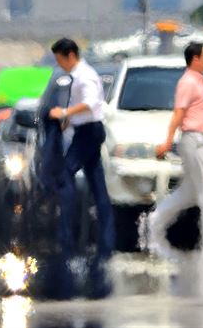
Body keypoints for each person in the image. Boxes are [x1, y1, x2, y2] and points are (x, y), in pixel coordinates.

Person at [147, 42, 203, 296]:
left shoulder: (199, 82)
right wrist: (167, 141)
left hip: (199, 139)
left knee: (190, 193)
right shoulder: (188, 82)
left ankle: (152, 224)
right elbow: (179, 113)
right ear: (194, 59)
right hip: (194, 140)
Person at [48, 38, 114, 259]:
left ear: (70, 55)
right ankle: (106, 241)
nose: (60, 65)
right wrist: (69, 118)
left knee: (65, 174)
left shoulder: (84, 76)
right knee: (98, 186)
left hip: (88, 132)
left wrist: (66, 113)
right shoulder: (80, 75)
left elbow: (91, 103)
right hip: (86, 130)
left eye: (60, 60)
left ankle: (66, 233)